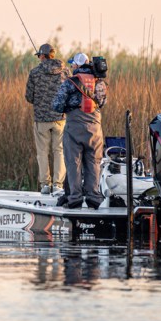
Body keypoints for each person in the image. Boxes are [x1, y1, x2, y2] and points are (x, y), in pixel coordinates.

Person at [51, 52, 107, 209]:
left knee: (73, 161)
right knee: (94, 162)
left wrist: (67, 106)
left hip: (75, 125)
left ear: (77, 65)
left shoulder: (70, 82)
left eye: (73, 64)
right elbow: (102, 103)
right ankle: (93, 197)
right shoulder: (100, 82)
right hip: (95, 126)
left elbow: (56, 105)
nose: (71, 66)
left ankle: (75, 198)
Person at [24, 43, 68, 194]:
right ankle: (58, 185)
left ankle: (45, 185)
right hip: (60, 118)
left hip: (41, 119)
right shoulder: (65, 72)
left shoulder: (35, 72)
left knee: (42, 152)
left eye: (39, 56)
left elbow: (29, 97)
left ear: (42, 56)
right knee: (59, 151)